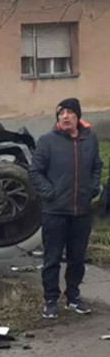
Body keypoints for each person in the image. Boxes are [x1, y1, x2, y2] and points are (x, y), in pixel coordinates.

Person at [29, 97, 102, 319]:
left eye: (70, 112)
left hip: (81, 211)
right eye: (61, 113)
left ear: (78, 116)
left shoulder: (90, 139)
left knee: (77, 258)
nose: (65, 116)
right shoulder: (47, 141)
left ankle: (73, 297)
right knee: (51, 259)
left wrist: (91, 188)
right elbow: (34, 172)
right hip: (55, 212)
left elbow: (97, 165)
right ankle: (50, 300)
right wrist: (50, 193)